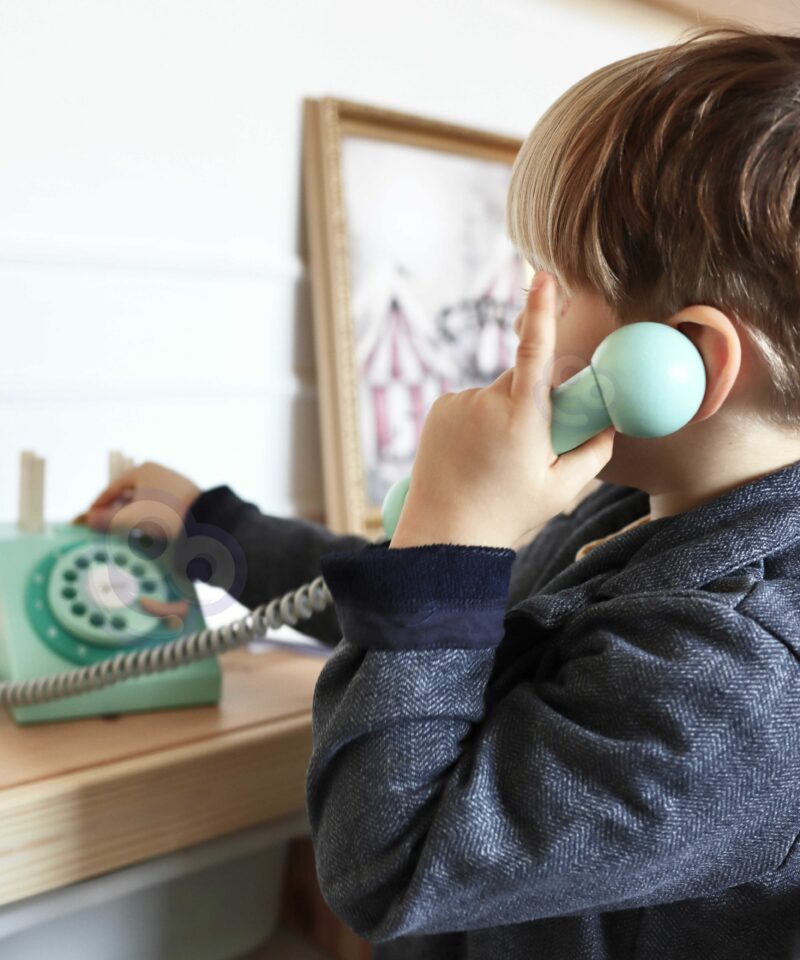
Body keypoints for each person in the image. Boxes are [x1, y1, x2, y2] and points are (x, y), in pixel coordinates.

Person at [82, 24, 800, 959]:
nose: (522, 312)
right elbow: (455, 643)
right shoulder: (632, 508)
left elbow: (389, 858)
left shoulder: (734, 686)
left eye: (557, 284)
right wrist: (215, 529)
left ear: (682, 359)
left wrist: (450, 539)